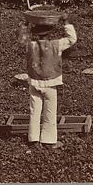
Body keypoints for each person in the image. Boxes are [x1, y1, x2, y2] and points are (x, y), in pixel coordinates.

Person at [19, 13, 78, 149]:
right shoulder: (56, 45)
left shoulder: (30, 45)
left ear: (35, 33)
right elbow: (72, 38)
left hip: (34, 82)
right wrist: (66, 22)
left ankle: (33, 139)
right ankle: (49, 141)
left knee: (34, 111)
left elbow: (22, 38)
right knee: (50, 111)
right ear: (50, 33)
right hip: (51, 83)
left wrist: (26, 24)